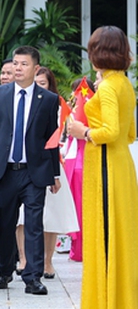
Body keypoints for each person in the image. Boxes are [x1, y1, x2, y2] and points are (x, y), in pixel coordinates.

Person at [68, 26, 138, 309]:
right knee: (121, 240)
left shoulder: (109, 87)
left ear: (97, 53)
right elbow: (130, 133)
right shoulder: (123, 83)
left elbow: (110, 132)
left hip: (106, 167)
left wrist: (82, 131)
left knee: (106, 238)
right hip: (121, 166)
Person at [0, 46, 60, 296]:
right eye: (15, 63)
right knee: (5, 224)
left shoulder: (48, 99)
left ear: (36, 68)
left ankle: (33, 277)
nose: (18, 68)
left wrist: (54, 174)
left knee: (34, 224)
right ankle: (4, 271)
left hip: (34, 172)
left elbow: (52, 139)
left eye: (24, 64)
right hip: (4, 171)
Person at [25, 67, 78, 279]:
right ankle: (25, 259)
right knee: (24, 217)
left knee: (52, 214)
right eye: (36, 82)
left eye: (43, 83)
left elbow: (59, 134)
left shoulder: (57, 105)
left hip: (51, 163)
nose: (39, 87)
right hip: (26, 164)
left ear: (50, 85)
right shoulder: (23, 101)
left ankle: (48, 261)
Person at [64, 77, 95, 262]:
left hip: (80, 163)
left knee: (80, 207)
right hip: (75, 160)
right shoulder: (75, 112)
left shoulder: (85, 112)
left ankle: (80, 249)